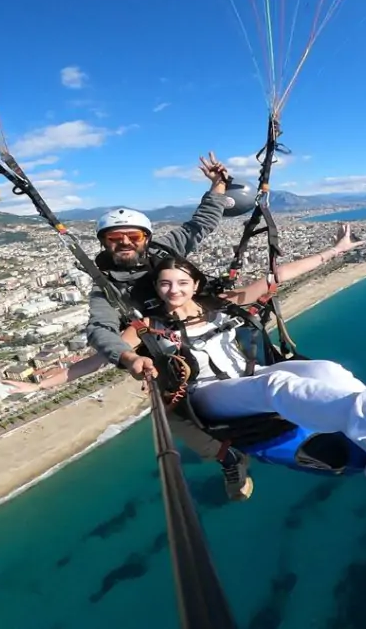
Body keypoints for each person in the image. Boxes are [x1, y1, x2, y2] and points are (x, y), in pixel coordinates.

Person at [23, 228, 366, 511]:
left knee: (332, 373)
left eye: (181, 282)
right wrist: (41, 380)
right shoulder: (143, 327)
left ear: (193, 283)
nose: (172, 289)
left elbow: (281, 274)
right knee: (285, 383)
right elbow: (96, 356)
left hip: (250, 384)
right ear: (156, 293)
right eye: (163, 285)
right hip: (210, 401)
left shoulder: (223, 306)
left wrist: (335, 252)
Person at [82, 153, 259, 501]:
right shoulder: (106, 285)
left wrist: (218, 186)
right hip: (165, 347)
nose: (125, 245)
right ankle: (227, 457)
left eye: (132, 236)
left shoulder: (166, 248)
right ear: (104, 244)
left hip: (200, 319)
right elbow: (99, 329)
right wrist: (129, 359)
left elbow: (201, 223)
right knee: (172, 410)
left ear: (145, 237)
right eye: (115, 240)